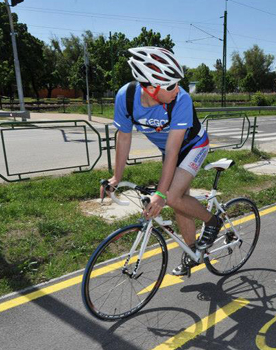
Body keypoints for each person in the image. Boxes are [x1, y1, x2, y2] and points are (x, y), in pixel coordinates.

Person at [103, 46, 221, 276]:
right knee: (176, 199)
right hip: (169, 150)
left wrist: (161, 193)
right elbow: (124, 138)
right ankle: (194, 252)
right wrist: (117, 177)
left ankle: (213, 222)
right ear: (149, 87)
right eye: (170, 85)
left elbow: (173, 150)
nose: (177, 89)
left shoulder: (181, 100)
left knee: (172, 196)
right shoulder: (125, 98)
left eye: (177, 83)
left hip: (193, 145)